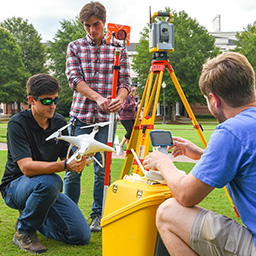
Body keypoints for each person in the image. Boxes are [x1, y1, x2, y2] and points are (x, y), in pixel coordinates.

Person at [143, 52, 256, 255]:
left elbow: (187, 195)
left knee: (168, 212)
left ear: (214, 100)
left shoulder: (231, 131)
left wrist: (163, 163)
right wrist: (203, 154)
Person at [0, 74, 91, 254]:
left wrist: (83, 153)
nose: (53, 106)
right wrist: (65, 166)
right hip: (15, 187)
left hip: (45, 188)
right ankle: (24, 231)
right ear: (32, 100)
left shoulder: (58, 121)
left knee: (80, 237)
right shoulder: (17, 124)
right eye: (47, 101)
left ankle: (32, 217)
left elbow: (67, 155)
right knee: (52, 181)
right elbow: (26, 168)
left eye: (55, 100)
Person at [65, 1, 131, 232]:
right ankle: (69, 215)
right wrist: (98, 98)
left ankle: (97, 214)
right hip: (81, 116)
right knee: (74, 169)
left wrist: (120, 99)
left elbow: (125, 82)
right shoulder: (74, 47)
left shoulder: (117, 49)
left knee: (102, 170)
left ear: (104, 21)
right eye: (87, 26)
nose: (92, 30)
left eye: (96, 24)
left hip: (106, 121)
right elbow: (74, 80)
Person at [118, 85, 138, 153]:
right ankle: (121, 145)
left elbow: (133, 107)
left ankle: (128, 148)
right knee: (130, 132)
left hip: (132, 117)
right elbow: (124, 106)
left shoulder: (133, 98)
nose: (133, 92)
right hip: (125, 117)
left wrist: (136, 106)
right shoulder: (127, 97)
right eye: (132, 91)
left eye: (134, 91)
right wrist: (133, 104)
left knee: (132, 133)